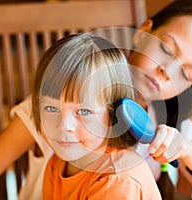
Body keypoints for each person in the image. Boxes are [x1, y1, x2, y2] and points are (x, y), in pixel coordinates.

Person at [0, 0, 192, 199]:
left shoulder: (169, 122)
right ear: (143, 32)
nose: (166, 72)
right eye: (166, 49)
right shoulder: (63, 98)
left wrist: (189, 154)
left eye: (186, 73)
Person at [30, 33, 161, 199]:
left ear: (115, 115)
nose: (64, 126)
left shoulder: (117, 181)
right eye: (51, 108)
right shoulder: (57, 163)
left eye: (84, 111)